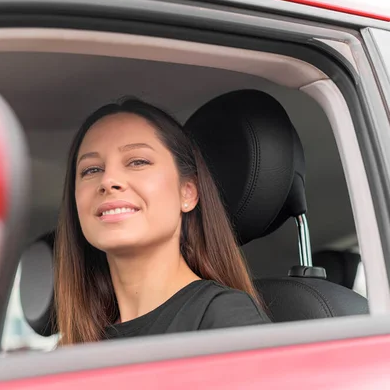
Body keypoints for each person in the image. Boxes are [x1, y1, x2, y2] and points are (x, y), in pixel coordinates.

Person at [54, 98, 270, 346]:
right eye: (91, 170)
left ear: (187, 192)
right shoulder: (72, 348)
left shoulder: (225, 319)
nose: (108, 180)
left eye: (137, 162)